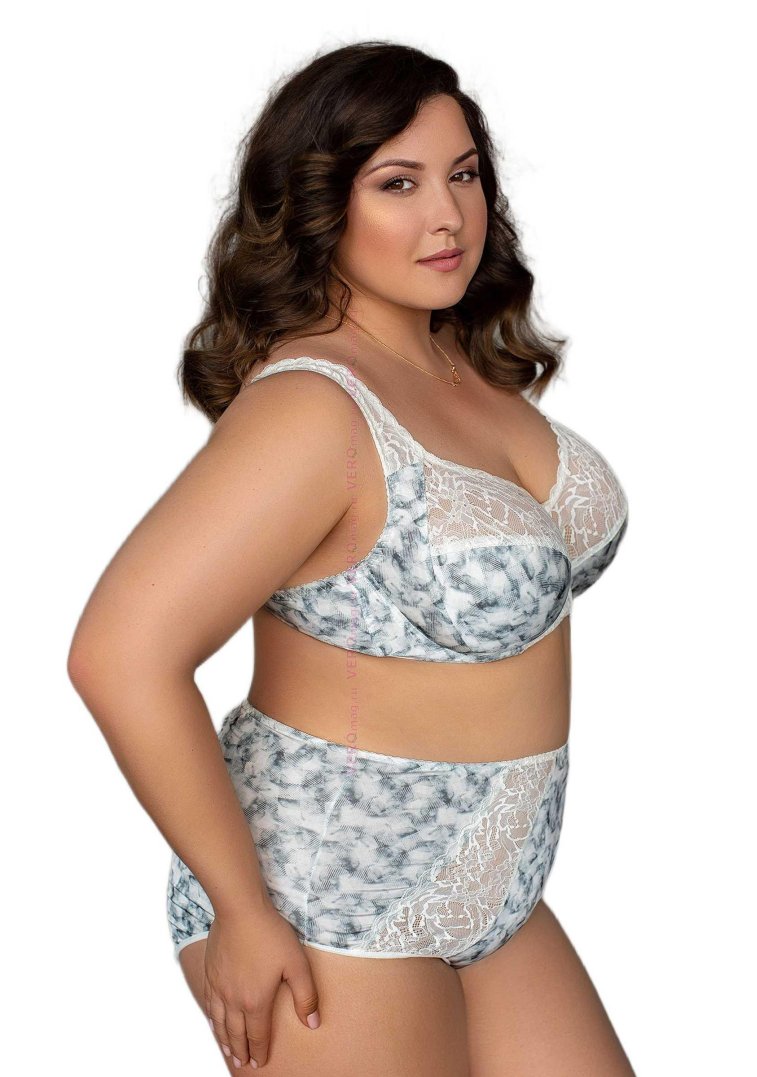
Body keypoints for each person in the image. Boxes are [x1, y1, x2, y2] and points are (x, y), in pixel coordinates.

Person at [68, 41, 634, 1076]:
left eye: (463, 174)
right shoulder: (314, 408)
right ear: (320, 204)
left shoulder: (456, 366)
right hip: (328, 884)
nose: (447, 215)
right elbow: (119, 654)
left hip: (494, 879)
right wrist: (241, 912)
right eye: (398, 183)